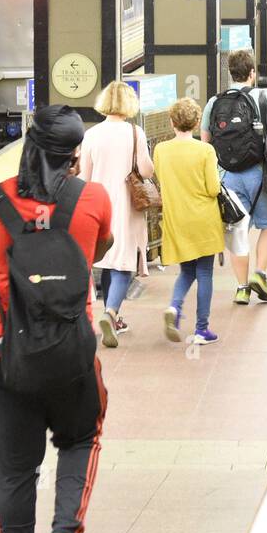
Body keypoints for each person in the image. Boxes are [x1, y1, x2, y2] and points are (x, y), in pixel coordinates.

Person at [0, 105, 113, 533]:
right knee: (79, 440)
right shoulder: (91, 199)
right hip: (72, 354)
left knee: (15, 471)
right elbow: (100, 248)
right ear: (73, 156)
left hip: (7, 359)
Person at [200, 49, 267, 305]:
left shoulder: (214, 102)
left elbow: (206, 140)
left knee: (238, 231)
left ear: (230, 73)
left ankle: (242, 287)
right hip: (262, 174)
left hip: (229, 177)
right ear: (252, 73)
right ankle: (260, 274)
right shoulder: (264, 95)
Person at [80, 80, 153, 347]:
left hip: (96, 204)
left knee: (106, 257)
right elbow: (145, 171)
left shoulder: (92, 134)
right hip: (125, 205)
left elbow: (83, 176)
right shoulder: (134, 133)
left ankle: (115, 315)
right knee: (123, 261)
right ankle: (110, 313)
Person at [154, 98, 225, 345]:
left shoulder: (161, 150)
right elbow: (213, 188)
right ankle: (201, 329)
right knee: (204, 271)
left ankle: (174, 307)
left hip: (177, 218)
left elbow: (160, 180)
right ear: (196, 123)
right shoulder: (205, 150)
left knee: (186, 270)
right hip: (203, 218)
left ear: (172, 122)